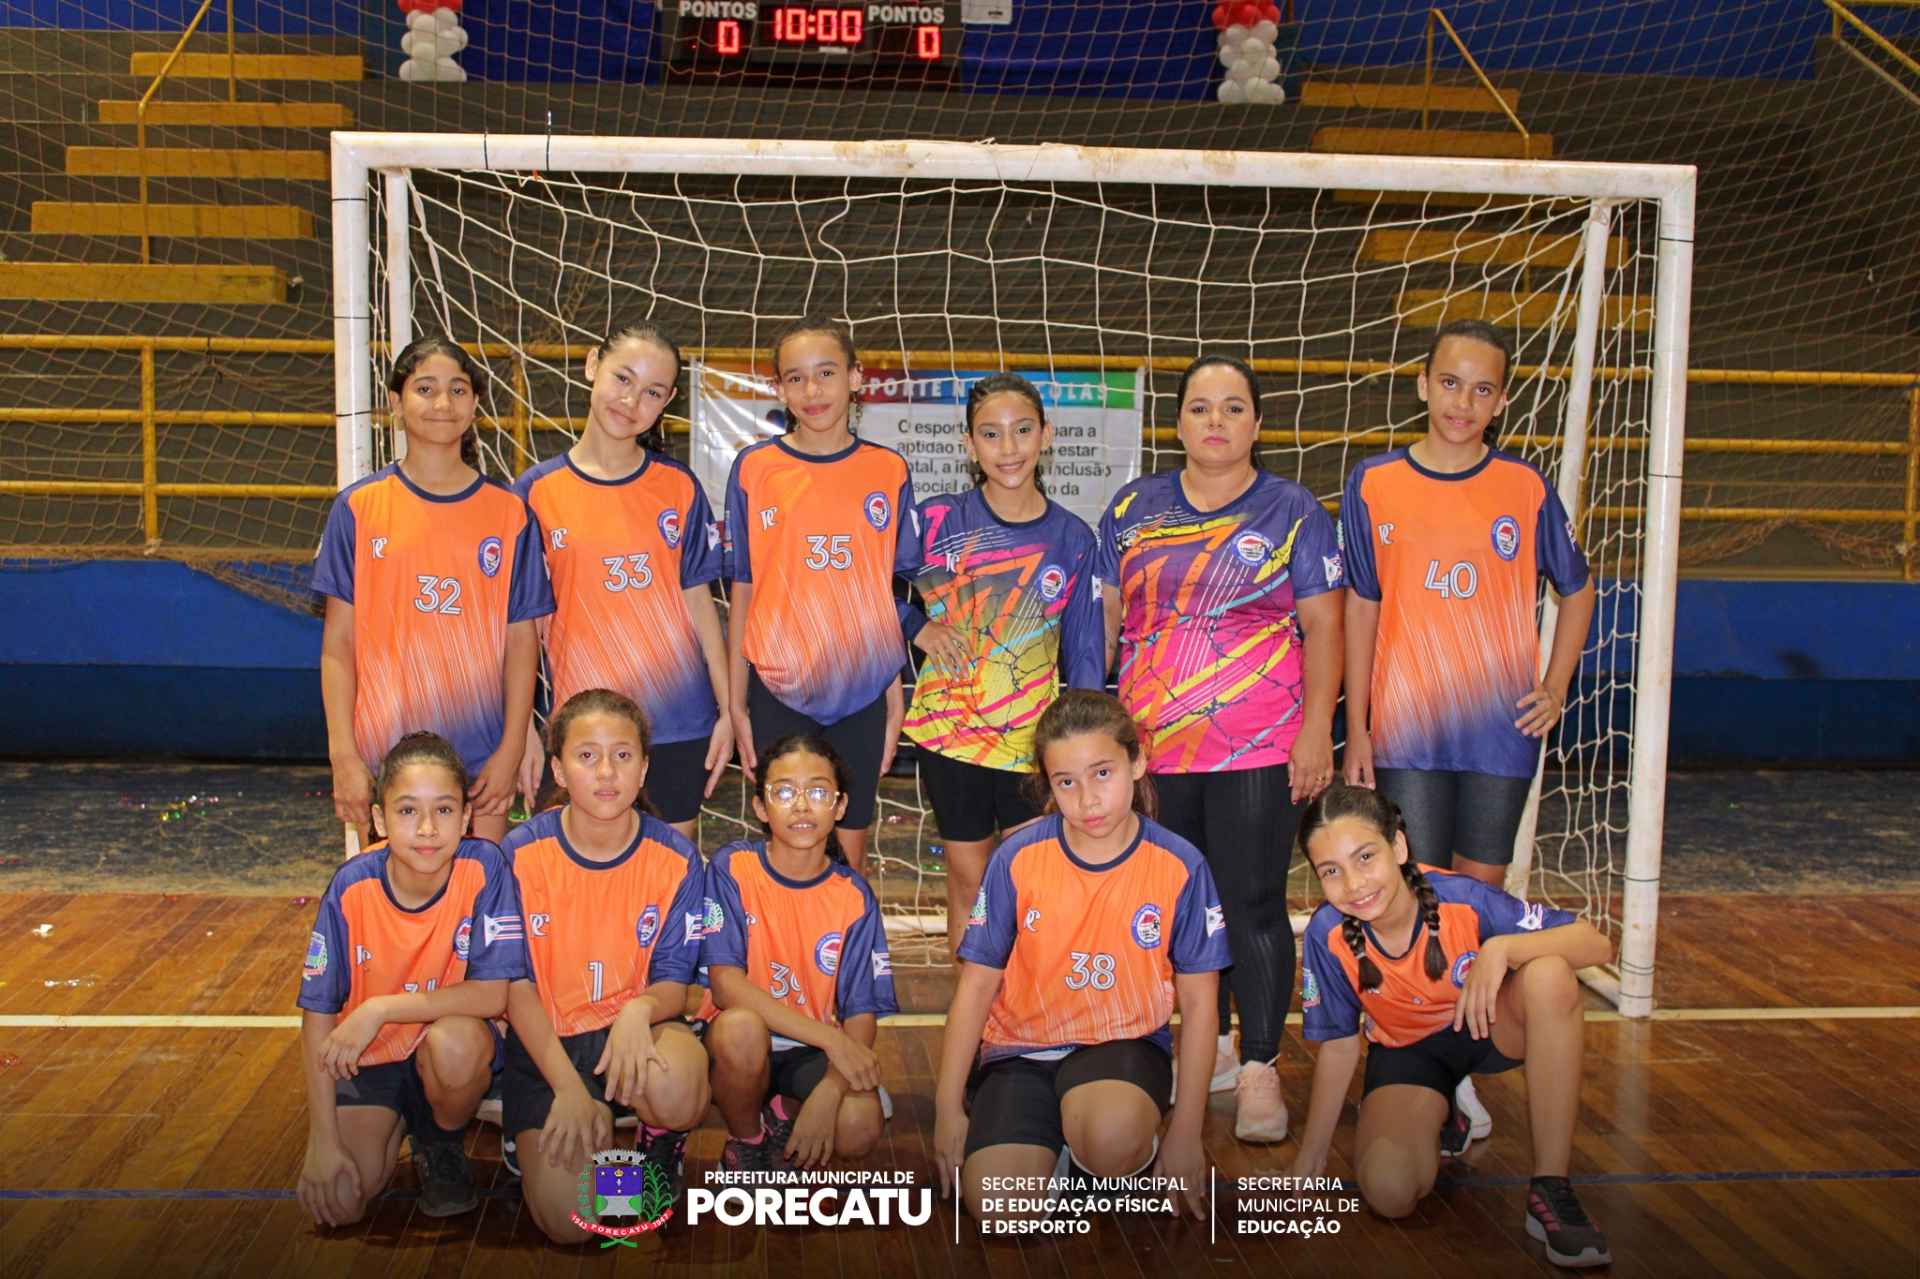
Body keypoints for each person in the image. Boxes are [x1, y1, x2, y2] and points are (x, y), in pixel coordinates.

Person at [1339, 319, 1596, 1142]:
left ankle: (1456, 1072)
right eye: (1450, 382)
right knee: (1418, 897)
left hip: (1497, 734)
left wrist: (1555, 685)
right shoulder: (1373, 481)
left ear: (1502, 401)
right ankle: (1410, 1052)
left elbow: (1578, 589)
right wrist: (1358, 724)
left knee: (1475, 910)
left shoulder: (1524, 486)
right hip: (1407, 728)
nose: (1463, 401)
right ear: (1422, 384)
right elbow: (1362, 605)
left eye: (1483, 389)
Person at [1096, 354, 1343, 1141]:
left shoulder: (1293, 510)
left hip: (1259, 744)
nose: (1216, 421)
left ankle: (1261, 1064)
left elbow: (1325, 626)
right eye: (1201, 407)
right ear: (1177, 423)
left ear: (1257, 424)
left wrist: (1316, 729)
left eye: (1234, 407)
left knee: (1253, 901)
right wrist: (1093, 722)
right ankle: (1211, 1046)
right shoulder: (1133, 507)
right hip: (1154, 751)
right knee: (1178, 911)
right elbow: (1105, 620)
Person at [1289, 782, 1612, 1269]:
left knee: (1549, 974)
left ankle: (1551, 1188)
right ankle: (1443, 1111)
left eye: (1365, 857)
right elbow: (1339, 1046)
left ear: (1399, 846)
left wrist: (1503, 948)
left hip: (1485, 1024)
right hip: (1410, 1053)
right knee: (1390, 1191)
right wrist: (1310, 1158)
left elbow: (1596, 943)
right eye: (1331, 871)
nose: (1354, 884)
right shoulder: (1327, 933)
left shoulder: (1462, 898)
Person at [933, 690, 1227, 1225]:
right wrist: (946, 1108)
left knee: (1113, 1139)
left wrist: (1187, 1130)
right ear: (1048, 785)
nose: (1087, 800)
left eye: (1102, 774)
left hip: (1123, 1046)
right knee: (997, 1208)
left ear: (1136, 763)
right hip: (1021, 1051)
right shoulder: (1017, 858)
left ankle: (1111, 1147)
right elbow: (975, 987)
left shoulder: (1180, 864)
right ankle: (1061, 1159)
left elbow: (1201, 1004)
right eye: (1066, 782)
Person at [722, 315, 957, 873]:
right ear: (779, 388)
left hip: (863, 690)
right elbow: (743, 589)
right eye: (796, 378)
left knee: (849, 851)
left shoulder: (887, 470)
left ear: (856, 378)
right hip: (777, 686)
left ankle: (846, 932)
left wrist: (893, 691)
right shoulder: (755, 469)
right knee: (783, 843)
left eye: (826, 373)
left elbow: (883, 589)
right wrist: (735, 701)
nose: (813, 390)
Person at [314, 335, 553, 845]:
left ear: (474, 403)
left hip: (480, 760)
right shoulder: (358, 508)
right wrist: (343, 756)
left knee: (479, 889)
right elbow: (338, 644)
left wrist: (511, 748)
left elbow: (522, 642)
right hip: (384, 758)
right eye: (425, 389)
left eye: (458, 389)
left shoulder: (509, 512)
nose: (443, 403)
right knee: (393, 893)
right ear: (396, 403)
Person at [496, 689, 711, 1243]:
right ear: (558, 770)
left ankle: (657, 1142)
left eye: (622, 754)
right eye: (587, 756)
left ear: (644, 768)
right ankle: (538, 1133)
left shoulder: (677, 857)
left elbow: (674, 984)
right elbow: (513, 988)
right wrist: (568, 1087)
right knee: (576, 1224)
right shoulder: (517, 855)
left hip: (629, 1040)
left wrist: (638, 1011)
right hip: (548, 1048)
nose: (607, 772)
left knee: (680, 1083)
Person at [902, 372, 1105, 959]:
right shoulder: (936, 521)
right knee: (969, 883)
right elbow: (864, 581)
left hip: (1031, 744)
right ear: (969, 444)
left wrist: (1082, 743)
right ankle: (974, 1004)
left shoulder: (1072, 538)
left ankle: (1027, 1002)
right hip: (950, 735)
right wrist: (917, 626)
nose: (1008, 447)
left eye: (1022, 430)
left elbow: (1085, 651)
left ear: (1047, 436)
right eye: (990, 434)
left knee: (1030, 885)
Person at [296, 731, 527, 1226]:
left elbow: (493, 995)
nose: (426, 829)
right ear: (380, 820)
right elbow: (317, 1014)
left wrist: (380, 1008)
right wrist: (322, 1142)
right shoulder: (351, 886)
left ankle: (439, 1138)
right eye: (407, 811)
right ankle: (397, 1114)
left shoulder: (485, 867)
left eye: (443, 810)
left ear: (465, 817)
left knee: (456, 1045)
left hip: (444, 1046)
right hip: (372, 1058)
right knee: (343, 1202)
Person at [513, 322, 731, 841]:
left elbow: (701, 605)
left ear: (669, 401)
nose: (632, 401)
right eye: (623, 378)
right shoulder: (536, 491)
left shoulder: (678, 486)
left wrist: (729, 710)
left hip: (677, 721)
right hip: (582, 728)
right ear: (593, 365)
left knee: (671, 872)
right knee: (579, 875)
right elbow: (523, 628)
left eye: (653, 392)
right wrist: (521, 730)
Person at [700, 734, 898, 1172]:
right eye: (785, 792)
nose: (803, 806)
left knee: (858, 1127)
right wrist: (834, 1041)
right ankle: (747, 1139)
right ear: (760, 807)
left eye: (819, 792)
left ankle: (784, 1109)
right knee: (741, 1029)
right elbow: (725, 985)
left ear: (840, 807)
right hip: (740, 1042)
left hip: (809, 1046)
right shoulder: (733, 867)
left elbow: (861, 1012)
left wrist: (831, 1089)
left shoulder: (853, 896)